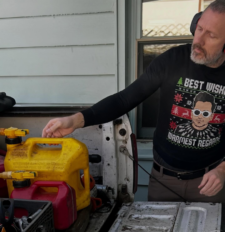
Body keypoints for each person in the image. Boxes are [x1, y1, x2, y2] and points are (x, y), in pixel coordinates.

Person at [42, 0, 225, 203]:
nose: (198, 40)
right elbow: (124, 99)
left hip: (210, 183)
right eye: (199, 28)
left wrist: (222, 171)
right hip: (164, 179)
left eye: (212, 35)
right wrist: (75, 121)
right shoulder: (171, 60)